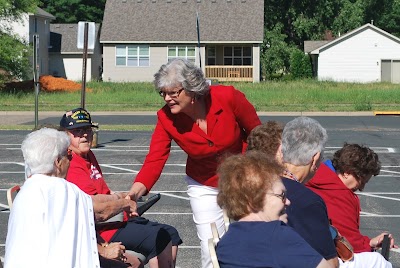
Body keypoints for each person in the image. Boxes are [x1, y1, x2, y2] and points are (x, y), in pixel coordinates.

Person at [125, 59, 261, 267]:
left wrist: (265, 171)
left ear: (192, 89)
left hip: (243, 177)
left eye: (173, 92)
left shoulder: (228, 97)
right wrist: (134, 193)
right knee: (211, 248)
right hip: (203, 183)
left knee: (252, 240)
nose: (167, 98)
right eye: (163, 93)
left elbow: (257, 134)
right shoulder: (165, 118)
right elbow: (155, 158)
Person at [59, 107, 182, 268]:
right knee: (161, 236)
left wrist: (122, 198)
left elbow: (104, 193)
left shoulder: (88, 156)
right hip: (101, 229)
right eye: (77, 131)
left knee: (171, 233)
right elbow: (95, 208)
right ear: (65, 135)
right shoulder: (72, 162)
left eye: (87, 129)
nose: (84, 135)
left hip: (113, 221)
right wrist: (123, 202)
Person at [215, 151, 332, 268]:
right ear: (254, 200)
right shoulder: (277, 236)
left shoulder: (225, 243)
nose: (288, 201)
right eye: (282, 196)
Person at [5, 128, 100, 268]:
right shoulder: (59, 188)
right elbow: (98, 210)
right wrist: (123, 201)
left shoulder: (27, 189)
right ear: (58, 162)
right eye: (68, 155)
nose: (70, 161)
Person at [307, 143, 396, 266]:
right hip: (323, 258)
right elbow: (350, 243)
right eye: (361, 181)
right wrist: (367, 245)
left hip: (304, 251)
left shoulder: (312, 176)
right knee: (378, 261)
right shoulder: (338, 194)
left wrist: (369, 242)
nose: (362, 188)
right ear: (347, 172)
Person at [278, 117, 340, 267]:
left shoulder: (258, 185)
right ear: (315, 159)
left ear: (281, 151)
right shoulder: (308, 201)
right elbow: (330, 263)